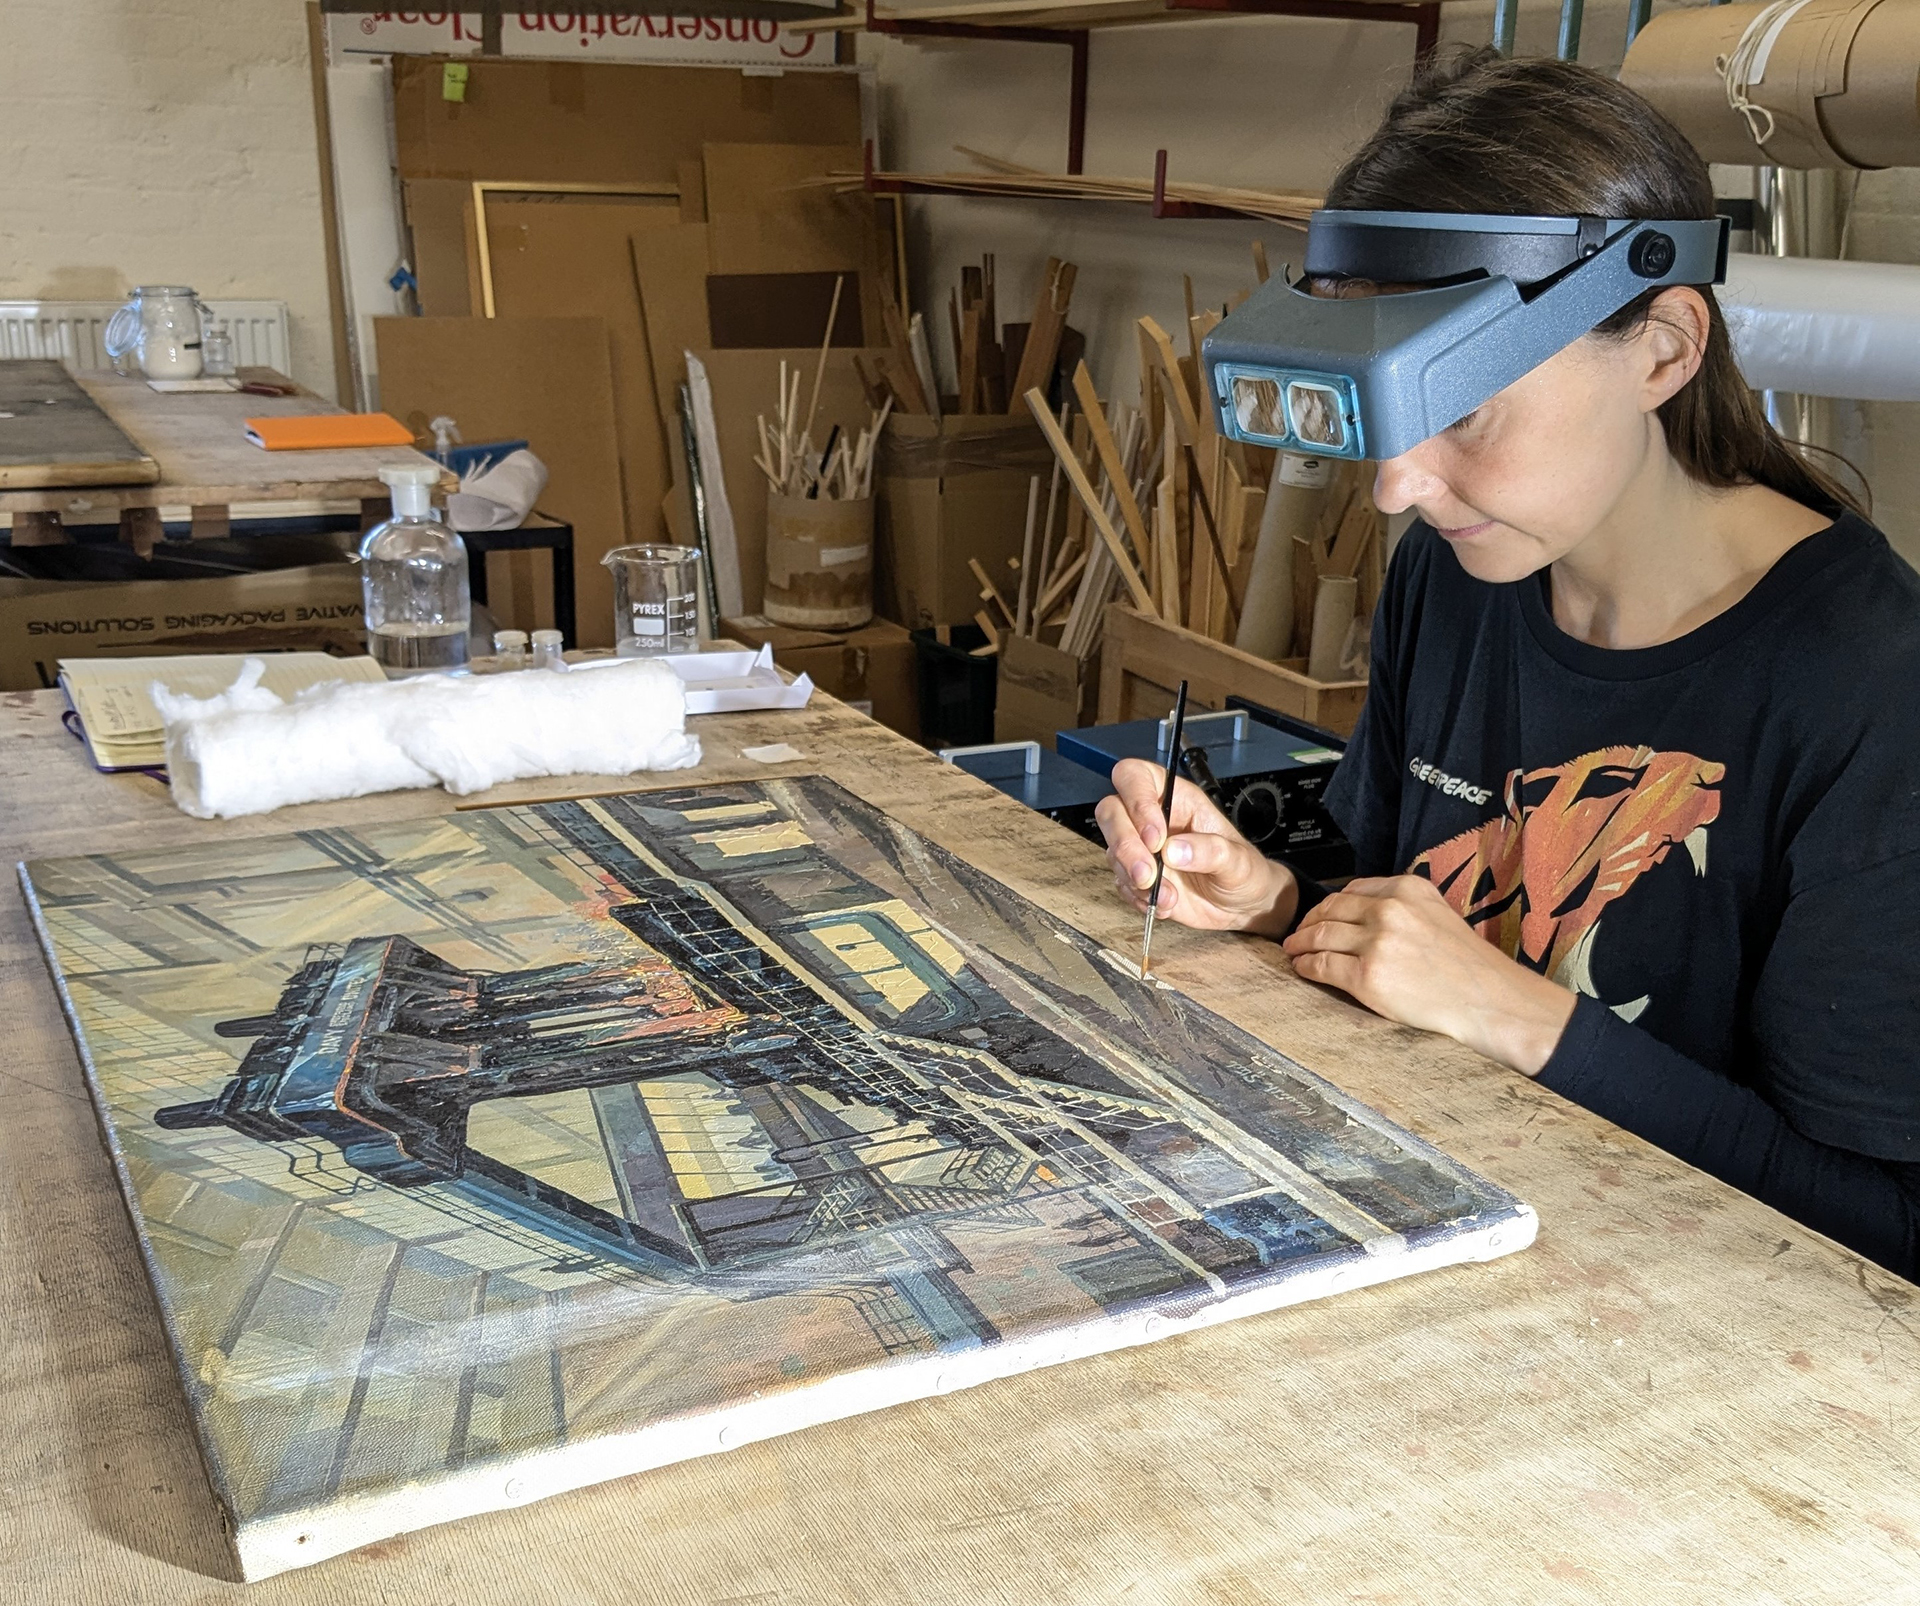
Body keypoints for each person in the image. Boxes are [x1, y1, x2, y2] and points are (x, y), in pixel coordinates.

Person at [1098, 50, 1920, 1280]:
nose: (1398, 488)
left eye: (1465, 411)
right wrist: (1276, 906)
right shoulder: (1464, 571)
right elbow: (1410, 932)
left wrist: (1524, 1019)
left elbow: (1884, 1232)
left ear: (1662, 348)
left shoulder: (1872, 690)